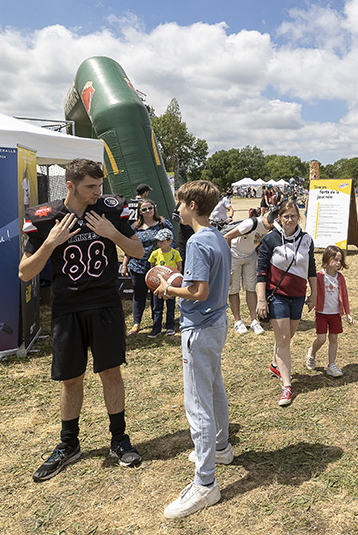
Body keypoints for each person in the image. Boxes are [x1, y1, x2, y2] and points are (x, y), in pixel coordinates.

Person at [20, 158, 145, 482]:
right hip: (67, 307)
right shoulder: (45, 218)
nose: (97, 192)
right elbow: (24, 273)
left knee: (110, 372)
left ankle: (118, 439)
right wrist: (50, 243)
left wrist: (112, 233)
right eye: (90, 186)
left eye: (99, 185)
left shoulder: (111, 209)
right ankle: (68, 444)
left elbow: (138, 251)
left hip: (104, 302)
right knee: (71, 379)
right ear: (71, 185)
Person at [155, 180, 233, 519]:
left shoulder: (199, 241)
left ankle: (205, 484)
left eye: (180, 203)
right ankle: (221, 447)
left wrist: (169, 287)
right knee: (214, 387)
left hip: (200, 328)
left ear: (191, 205)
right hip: (216, 324)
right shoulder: (216, 235)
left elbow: (198, 291)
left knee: (198, 402)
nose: (178, 209)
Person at [255, 200, 317, 407]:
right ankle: (287, 386)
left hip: (298, 296)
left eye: (293, 216)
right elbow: (261, 272)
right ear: (279, 218)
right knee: (283, 339)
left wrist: (315, 293)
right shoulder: (270, 239)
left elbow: (311, 269)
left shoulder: (307, 240)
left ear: (298, 217)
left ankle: (275, 364)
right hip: (277, 295)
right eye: (285, 216)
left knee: (288, 336)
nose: (289, 220)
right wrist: (261, 300)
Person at [122, 199, 173, 337]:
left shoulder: (163, 223)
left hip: (158, 268)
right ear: (139, 212)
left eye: (150, 208)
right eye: (144, 209)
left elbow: (171, 243)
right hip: (137, 266)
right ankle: (136, 323)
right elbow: (129, 247)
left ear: (154, 208)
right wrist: (125, 265)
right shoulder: (134, 227)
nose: (148, 211)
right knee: (139, 295)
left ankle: (157, 321)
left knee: (157, 295)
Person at [222, 207, 277, 335]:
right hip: (234, 255)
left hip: (250, 256)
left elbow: (256, 242)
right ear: (275, 223)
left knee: (251, 288)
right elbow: (227, 237)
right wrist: (228, 263)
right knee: (234, 289)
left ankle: (253, 320)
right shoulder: (252, 223)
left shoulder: (269, 230)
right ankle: (238, 321)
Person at [305, 245, 354, 377]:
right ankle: (312, 353)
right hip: (321, 313)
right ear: (327, 259)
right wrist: (310, 301)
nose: (338, 263)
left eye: (340, 260)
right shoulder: (319, 276)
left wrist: (347, 313)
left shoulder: (340, 278)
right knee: (321, 339)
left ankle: (332, 365)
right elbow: (313, 293)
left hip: (335, 314)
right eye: (335, 260)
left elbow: (345, 296)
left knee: (333, 339)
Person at [147, 229, 182, 336]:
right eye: (158, 241)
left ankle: (170, 326)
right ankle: (156, 328)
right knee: (157, 307)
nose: (159, 243)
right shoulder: (154, 253)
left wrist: (174, 281)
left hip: (170, 285)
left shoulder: (175, 253)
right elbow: (152, 269)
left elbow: (179, 268)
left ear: (169, 241)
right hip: (158, 286)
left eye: (162, 241)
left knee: (170, 306)